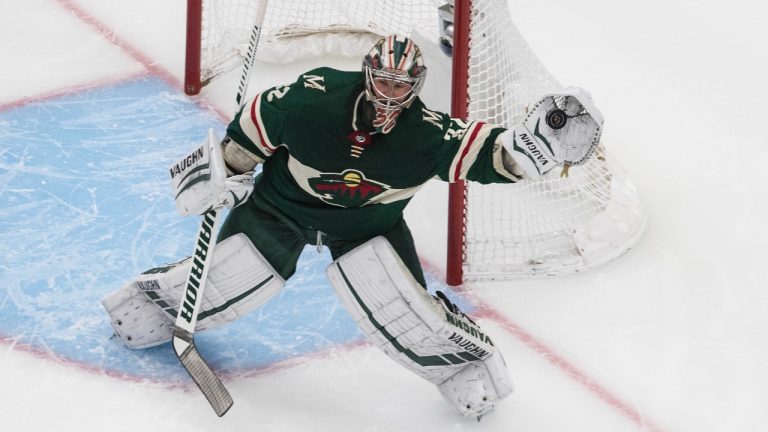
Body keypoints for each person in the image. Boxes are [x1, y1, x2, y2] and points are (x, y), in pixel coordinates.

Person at [103, 34, 603, 418]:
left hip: (369, 226)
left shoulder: (425, 136)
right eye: (383, 82)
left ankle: (465, 365)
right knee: (237, 273)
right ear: (367, 74)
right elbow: (247, 135)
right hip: (282, 207)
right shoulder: (311, 99)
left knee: (399, 308)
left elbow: (486, 151)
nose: (390, 94)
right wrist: (227, 173)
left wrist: (525, 154)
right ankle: (154, 301)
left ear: (416, 88)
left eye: (401, 86)